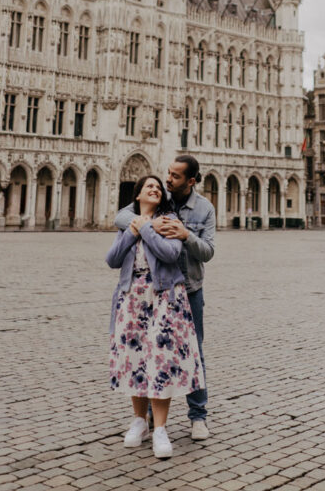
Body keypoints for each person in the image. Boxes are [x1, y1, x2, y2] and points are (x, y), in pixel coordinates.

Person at [115, 154, 215, 441]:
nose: (167, 179)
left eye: (175, 176)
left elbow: (208, 251)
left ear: (191, 180)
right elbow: (121, 216)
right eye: (168, 174)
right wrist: (148, 224)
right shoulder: (162, 202)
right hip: (159, 291)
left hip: (190, 288)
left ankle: (198, 416)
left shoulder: (204, 209)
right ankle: (147, 418)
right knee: (149, 351)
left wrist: (186, 235)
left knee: (194, 352)